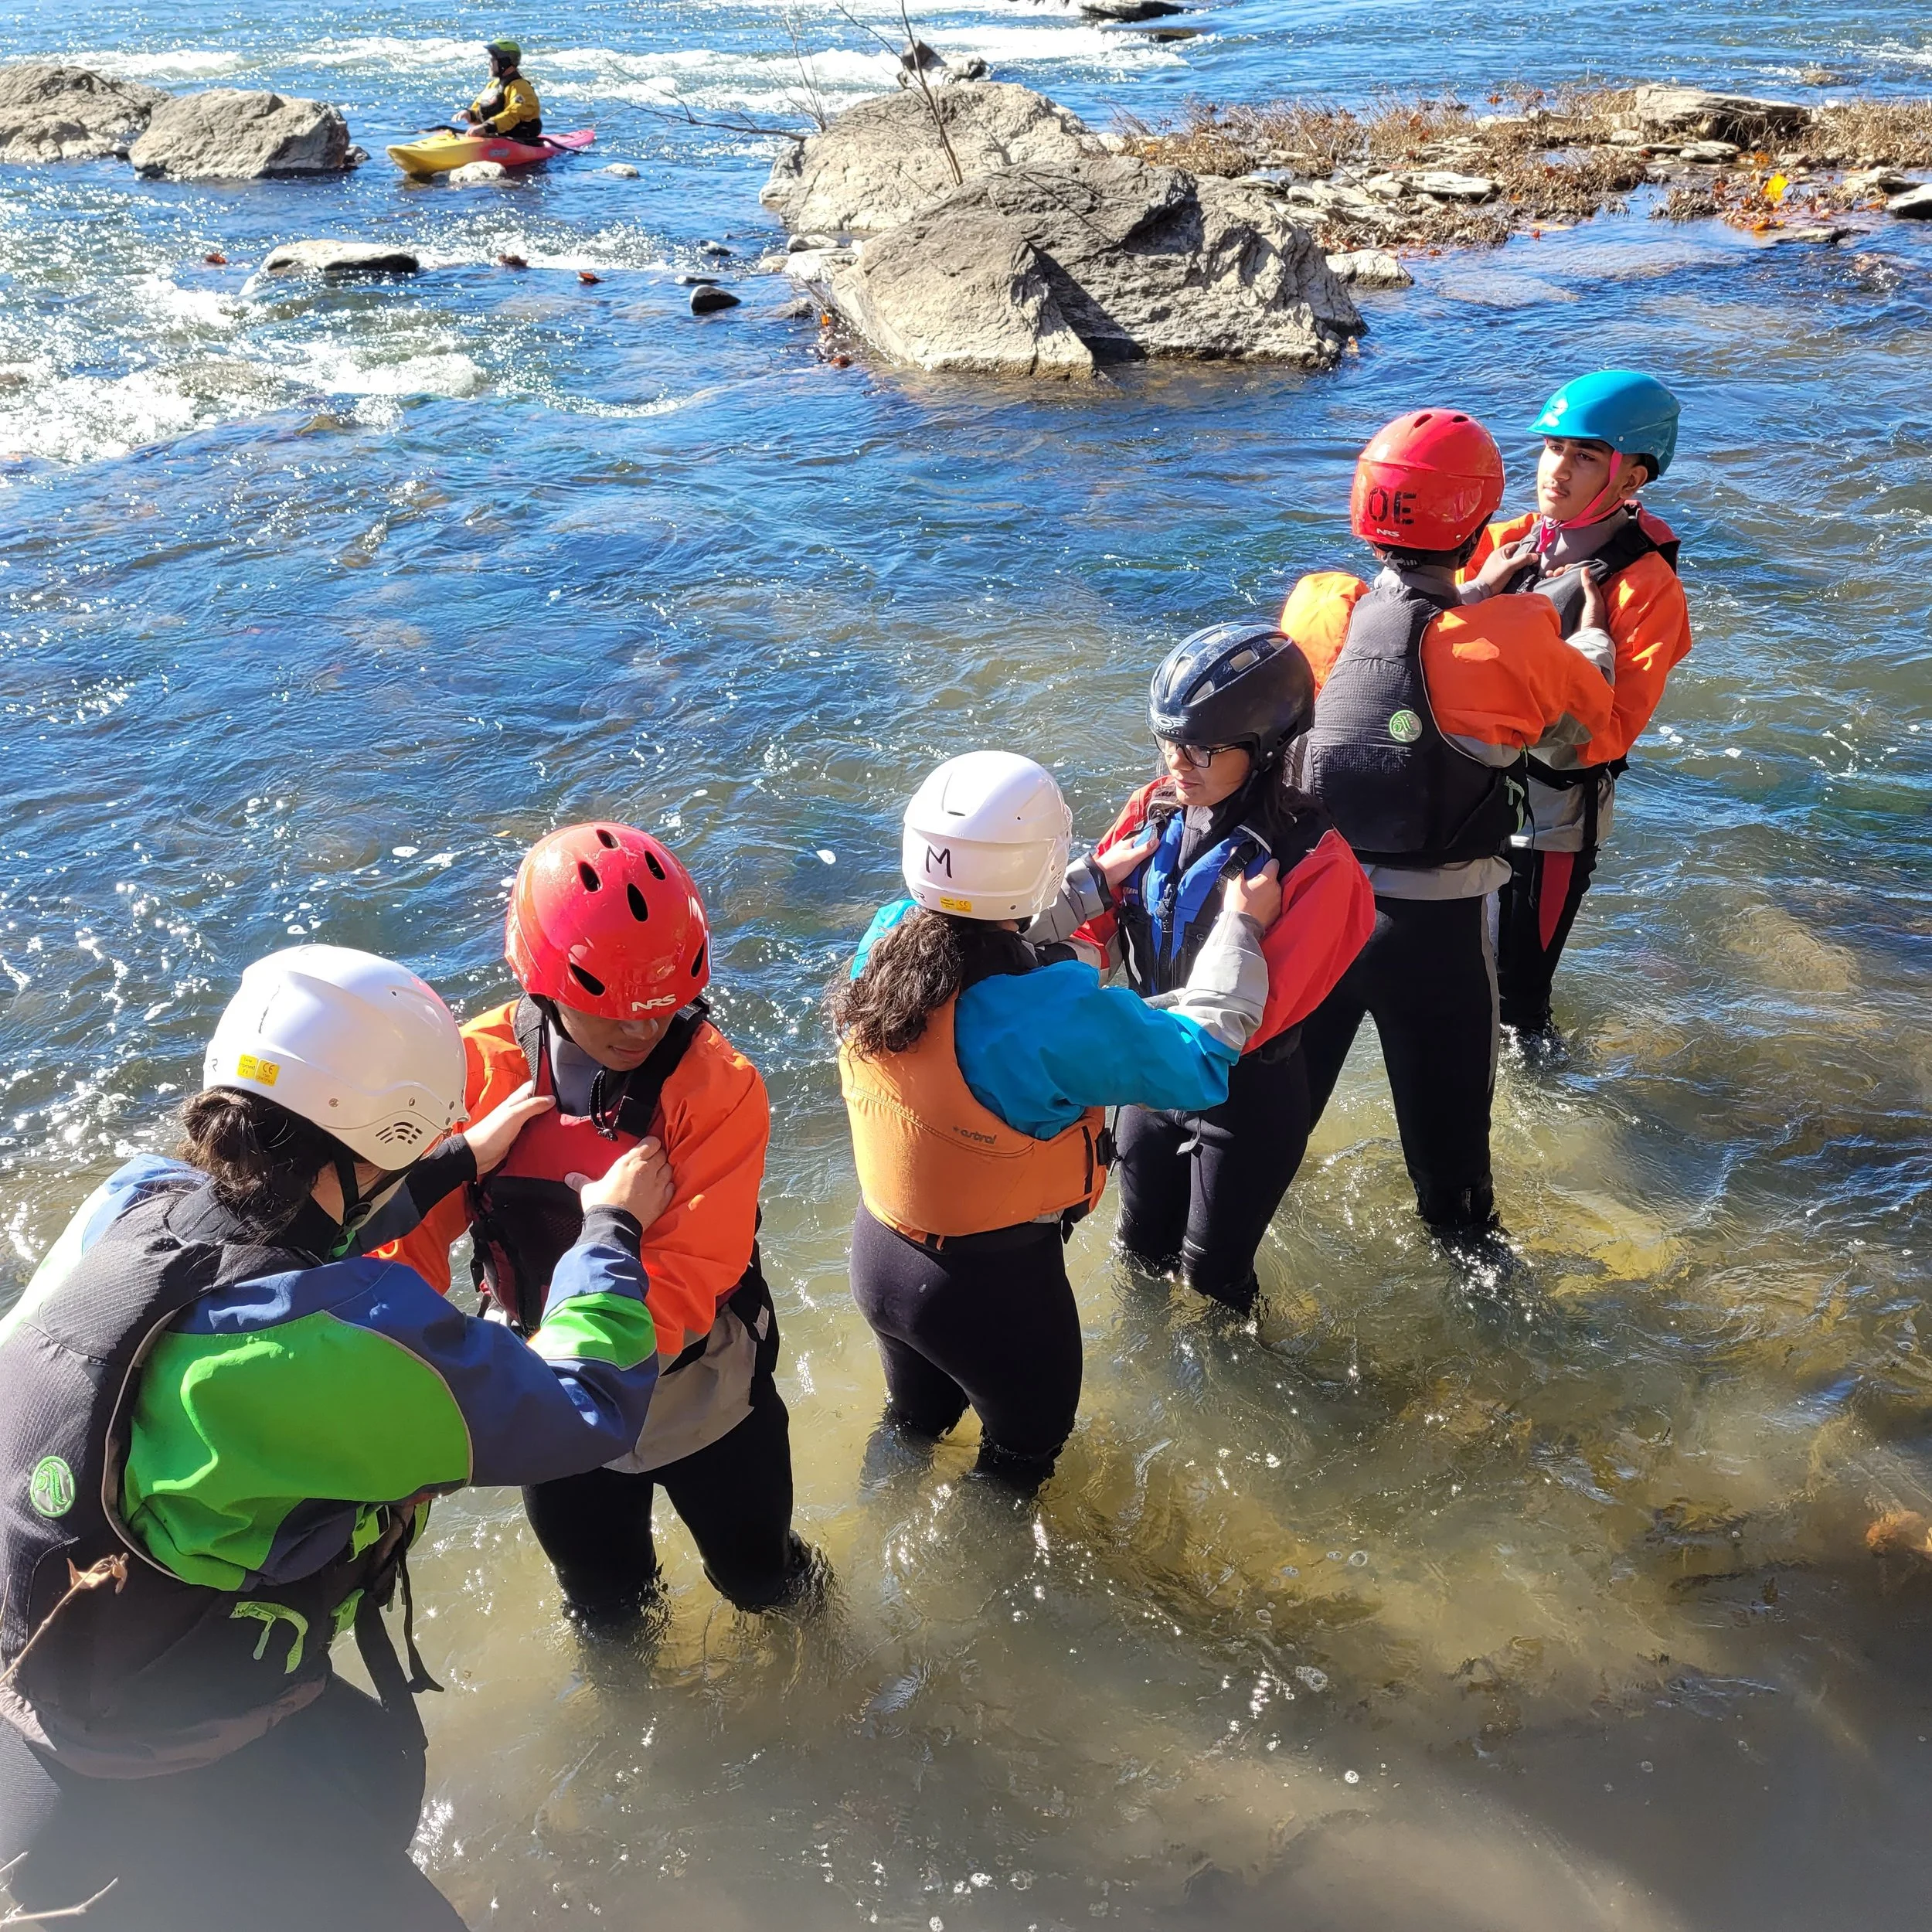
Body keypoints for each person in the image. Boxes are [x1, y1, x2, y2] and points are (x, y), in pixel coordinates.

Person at [0, 944, 665, 1930]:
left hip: (44, 1707)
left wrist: (448, 1165)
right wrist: (608, 1232)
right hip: (178, 1772)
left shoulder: (130, 1202)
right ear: (393, 1120)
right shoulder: (334, 1340)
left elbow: (268, 1233)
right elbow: (585, 1403)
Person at [387, 823, 815, 1622]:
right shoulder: (478, 1069)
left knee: (765, 1581)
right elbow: (399, 1247)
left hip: (697, 1395)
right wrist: (414, 1391)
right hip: (546, 1404)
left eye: (662, 1011)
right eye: (612, 1013)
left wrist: (557, 1389)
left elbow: (693, 1277)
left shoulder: (719, 1087)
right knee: (605, 1609)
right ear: (544, 983)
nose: (642, 1032)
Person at [831, 750, 1284, 1490]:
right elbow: (1200, 1058)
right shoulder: (1055, 1014)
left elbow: (971, 928)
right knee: (1019, 1465)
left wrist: (1084, 889)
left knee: (913, 1429)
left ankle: (882, 1543)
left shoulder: (883, 940)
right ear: (1037, 866)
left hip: (880, 1259)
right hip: (991, 1292)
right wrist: (1241, 929)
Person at [1279, 409, 1616, 1237]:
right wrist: (1593, 635)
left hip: (1312, 915)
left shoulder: (1318, 610)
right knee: (1455, 1187)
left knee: (1271, 1142)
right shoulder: (1510, 641)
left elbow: (1386, 659)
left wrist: (1461, 599)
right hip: (1432, 933)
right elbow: (1583, 727)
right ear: (1475, 518)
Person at [1037, 622, 1374, 1313]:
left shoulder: (1319, 865)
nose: (1178, 762)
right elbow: (1088, 936)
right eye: (1168, 742)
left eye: (1202, 749)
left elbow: (1250, 1023)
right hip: (1147, 1085)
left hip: (1245, 1103)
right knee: (1137, 1256)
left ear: (1266, 747)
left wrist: (1241, 923)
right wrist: (1091, 890)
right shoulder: (1152, 810)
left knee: (1215, 1281)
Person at [1460, 371, 1692, 1039]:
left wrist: (1585, 646)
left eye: (1584, 456)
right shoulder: (1507, 541)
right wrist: (1477, 591)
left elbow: (1609, 734)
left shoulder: (1646, 588)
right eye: (1552, 447)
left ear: (1630, 480)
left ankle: (1546, 1106)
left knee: (1520, 999)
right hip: (1471, 795)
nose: (1554, 470)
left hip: (1551, 823)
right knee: (1454, 978)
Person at [461, 38, 541, 140]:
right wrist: (470, 114)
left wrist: (487, 127)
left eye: (492, 59)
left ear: (505, 62)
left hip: (521, 139)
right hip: (497, 136)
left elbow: (514, 114)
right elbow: (480, 107)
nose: (489, 63)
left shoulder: (521, 87)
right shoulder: (493, 86)